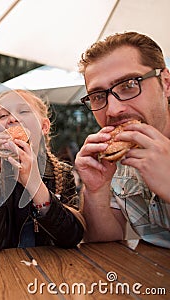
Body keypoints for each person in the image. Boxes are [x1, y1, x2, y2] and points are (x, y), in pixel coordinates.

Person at [75, 31, 170, 248]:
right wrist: (96, 191)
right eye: (98, 96)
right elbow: (104, 240)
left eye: (128, 85)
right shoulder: (115, 157)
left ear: (165, 83)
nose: (114, 110)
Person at [0, 89, 85, 252]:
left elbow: (71, 237)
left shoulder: (61, 173)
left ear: (44, 127)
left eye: (23, 111)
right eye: (2, 116)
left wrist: (34, 183)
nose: (12, 119)